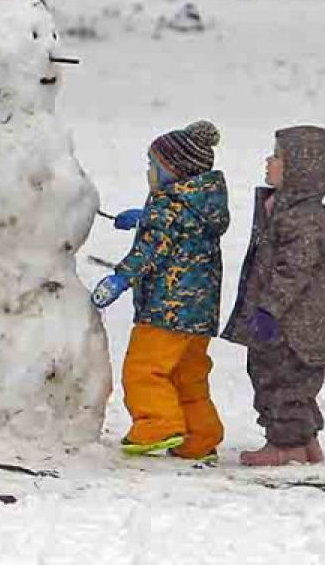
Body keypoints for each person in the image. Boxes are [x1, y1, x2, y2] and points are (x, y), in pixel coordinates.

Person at [91, 121, 230, 461]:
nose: (149, 172)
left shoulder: (168, 208)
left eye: (153, 165)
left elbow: (151, 251)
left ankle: (157, 425)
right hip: (199, 314)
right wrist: (144, 216)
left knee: (144, 370)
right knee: (188, 376)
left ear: (174, 170)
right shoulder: (200, 203)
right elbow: (181, 230)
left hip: (166, 310)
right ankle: (200, 436)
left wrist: (119, 280)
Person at [222, 126, 325, 466]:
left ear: (301, 170)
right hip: (292, 322)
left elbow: (293, 272)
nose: (269, 161)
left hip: (294, 327)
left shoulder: (303, 218)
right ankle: (304, 442)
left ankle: (287, 445)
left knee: (281, 381)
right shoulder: (287, 209)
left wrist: (269, 310)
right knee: (287, 381)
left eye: (277, 157)